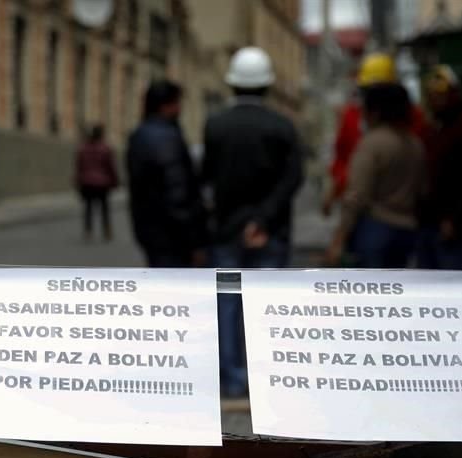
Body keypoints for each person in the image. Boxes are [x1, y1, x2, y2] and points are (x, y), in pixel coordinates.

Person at [201, 46, 303, 397]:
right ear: (267, 85)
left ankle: (231, 379)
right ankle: (267, 379)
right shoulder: (282, 127)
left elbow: (208, 179)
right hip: (271, 231)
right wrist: (261, 219)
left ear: (232, 84)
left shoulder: (216, 125)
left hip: (227, 231)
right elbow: (293, 179)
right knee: (267, 306)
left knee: (227, 304)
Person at [326, 82, 425, 268]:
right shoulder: (416, 145)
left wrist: (338, 239)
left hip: (375, 231)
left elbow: (357, 196)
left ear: (375, 112)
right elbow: (423, 190)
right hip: (408, 232)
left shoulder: (372, 144)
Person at [324, 53, 426, 216]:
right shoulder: (352, 116)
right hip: (361, 206)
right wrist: (336, 190)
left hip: (401, 208)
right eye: (368, 92)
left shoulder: (413, 119)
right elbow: (342, 158)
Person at [416, 65, 462, 270]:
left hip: (454, 225)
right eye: (432, 95)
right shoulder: (430, 129)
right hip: (427, 222)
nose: (435, 100)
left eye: (441, 95)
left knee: (454, 283)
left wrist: (456, 219)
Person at [126, 80, 205, 267]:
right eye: (177, 104)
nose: (180, 109)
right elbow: (177, 193)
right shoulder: (167, 138)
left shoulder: (139, 135)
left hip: (149, 231)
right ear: (167, 105)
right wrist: (195, 241)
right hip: (172, 237)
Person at [75, 124, 118, 242]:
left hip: (87, 182)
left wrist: (78, 181)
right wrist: (115, 180)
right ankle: (107, 230)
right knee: (104, 208)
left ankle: (88, 231)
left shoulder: (83, 148)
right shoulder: (105, 149)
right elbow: (111, 166)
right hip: (102, 183)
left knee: (88, 208)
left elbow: (79, 167)